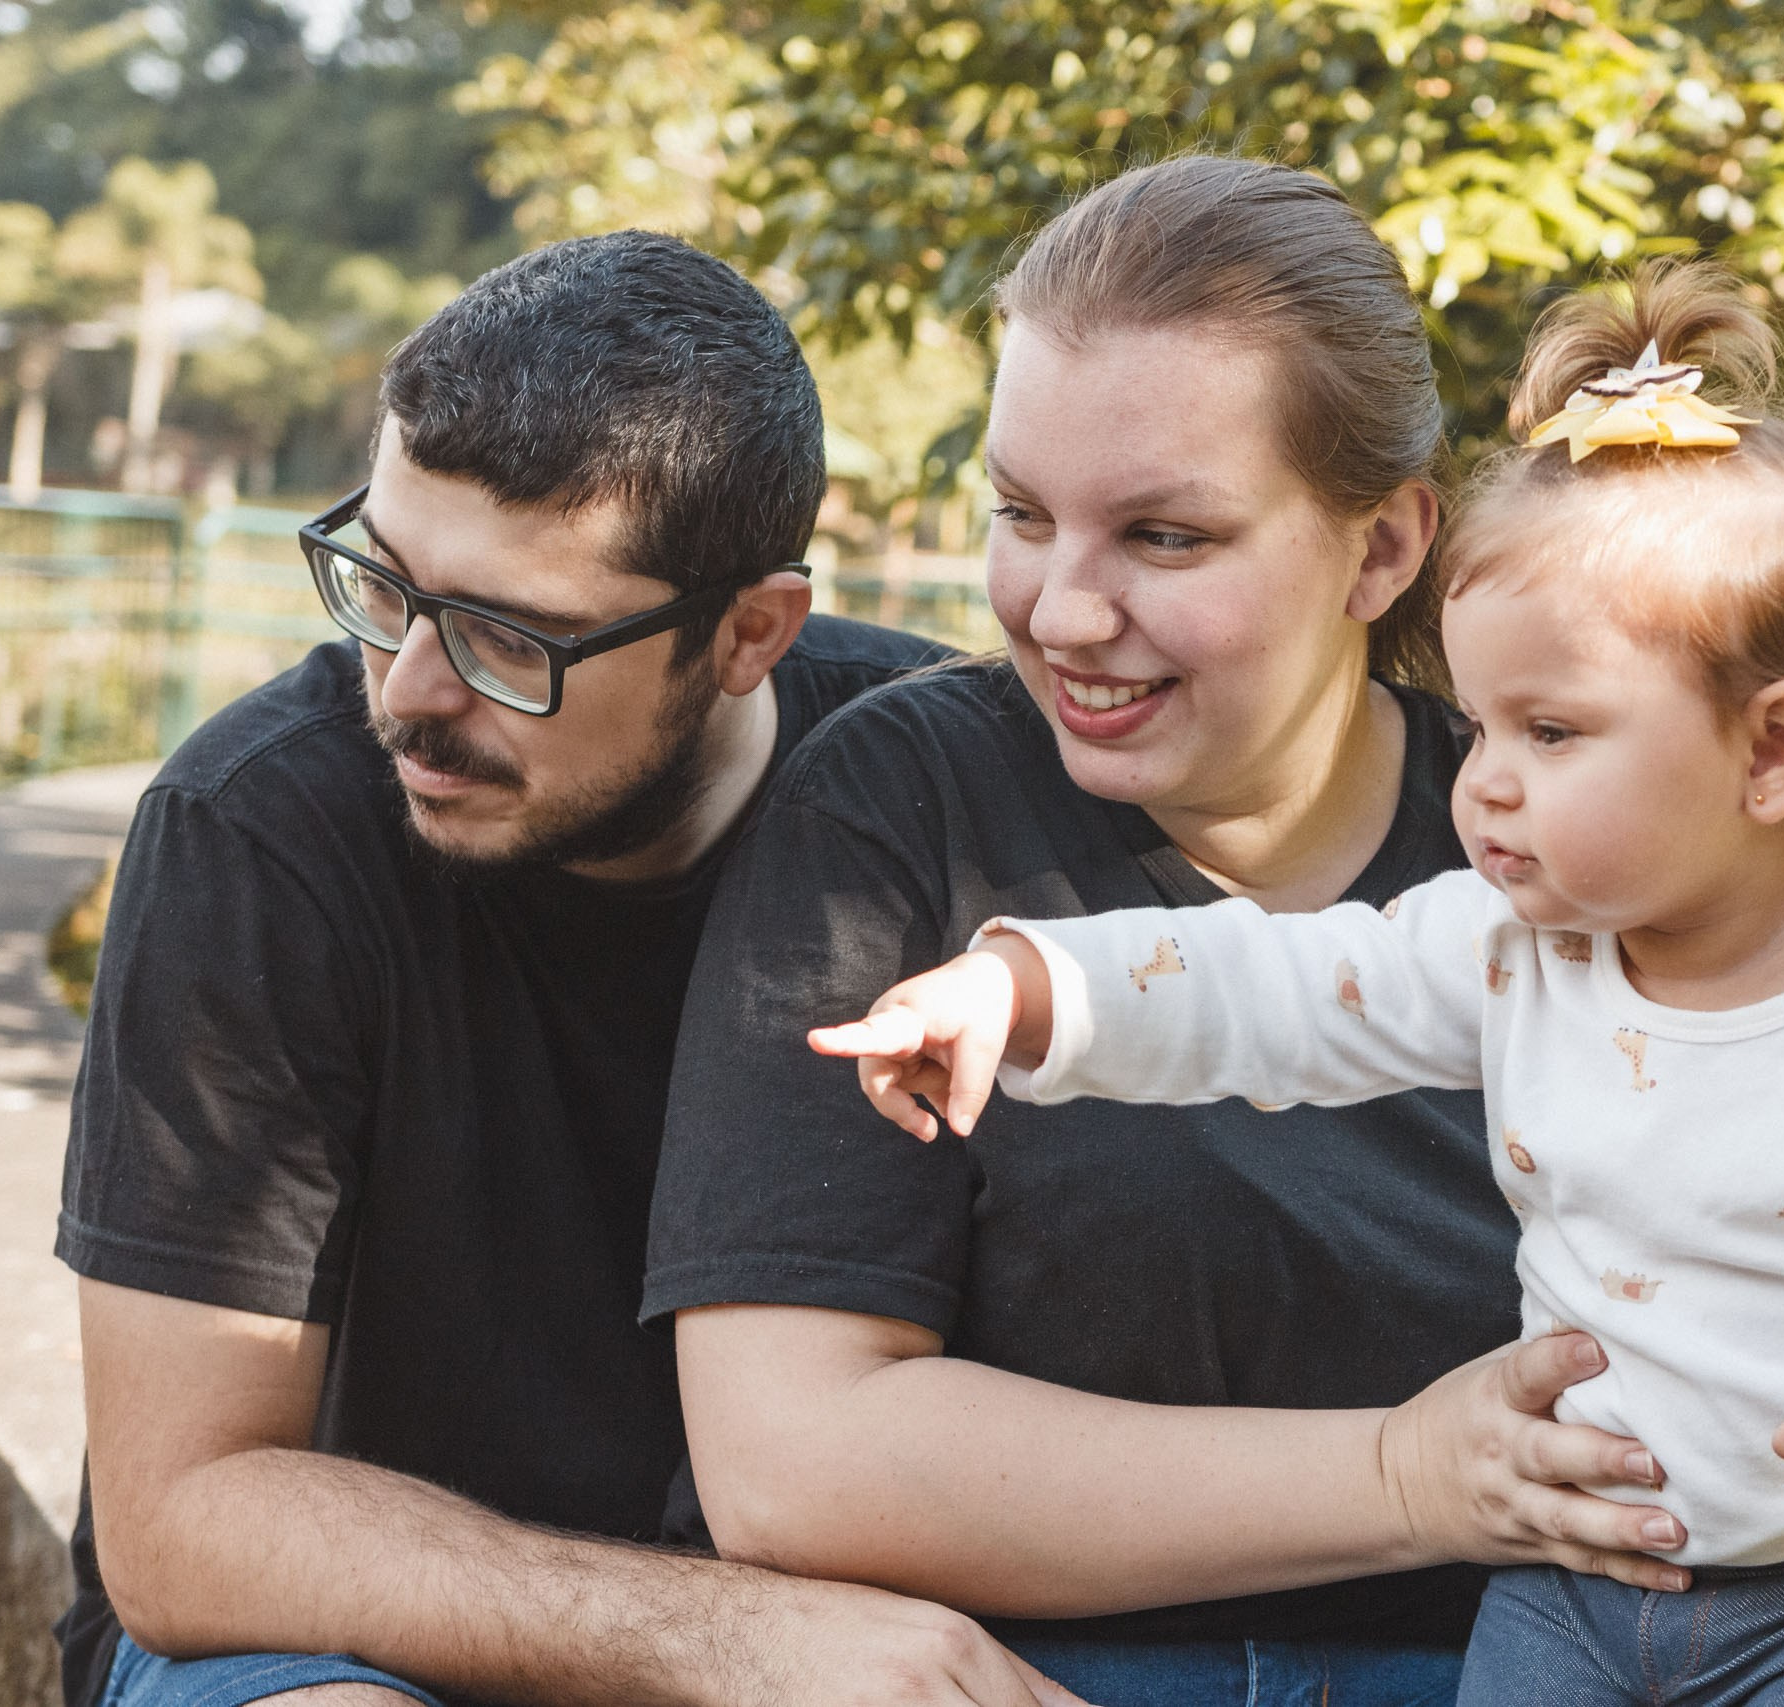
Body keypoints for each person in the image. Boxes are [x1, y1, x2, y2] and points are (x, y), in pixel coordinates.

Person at [650, 154, 1784, 1707]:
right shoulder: (913, 813)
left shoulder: (1597, 846)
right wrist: (1406, 1476)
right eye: (1021, 514)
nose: (1063, 609)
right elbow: (792, 1464)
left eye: (1166, 537)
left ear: (1384, 550)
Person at [55, 232, 1090, 1707]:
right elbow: (180, 1522)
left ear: (748, 636)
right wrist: (722, 1638)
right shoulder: (257, 834)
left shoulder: (935, 791)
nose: (407, 694)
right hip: (329, 1629)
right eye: (387, 585)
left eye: (509, 640)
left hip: (831, 1622)